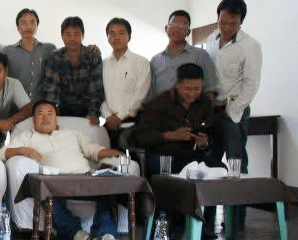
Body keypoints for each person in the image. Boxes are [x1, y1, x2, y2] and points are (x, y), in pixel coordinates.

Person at [0, 100, 124, 240]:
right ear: (33, 119)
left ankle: (105, 234)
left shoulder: (72, 133)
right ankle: (75, 233)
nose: (45, 118)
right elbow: (1, 153)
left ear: (56, 118)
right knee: (46, 194)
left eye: (49, 114)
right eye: (40, 114)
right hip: (54, 180)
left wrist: (111, 153)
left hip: (84, 177)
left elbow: (92, 149)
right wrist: (23, 150)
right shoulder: (26, 136)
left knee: (105, 189)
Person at [205, 0, 262, 236]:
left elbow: (251, 84)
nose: (226, 27)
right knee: (209, 163)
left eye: (232, 22)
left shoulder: (250, 46)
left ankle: (236, 223)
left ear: (241, 22)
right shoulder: (210, 40)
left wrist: (233, 111)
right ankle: (207, 221)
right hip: (211, 112)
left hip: (233, 112)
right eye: (222, 21)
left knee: (236, 166)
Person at [135, 63, 220, 175]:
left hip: (192, 156)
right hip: (164, 155)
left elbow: (212, 133)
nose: (192, 93)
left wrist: (204, 142)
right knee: (161, 165)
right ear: (177, 85)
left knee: (220, 168)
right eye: (187, 89)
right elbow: (140, 136)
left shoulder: (205, 103)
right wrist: (170, 135)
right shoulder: (159, 102)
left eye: (197, 89)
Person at [41, 16, 104, 125]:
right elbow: (51, 91)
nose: (72, 39)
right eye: (68, 34)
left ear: (82, 35)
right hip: (61, 111)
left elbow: (95, 90)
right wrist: (53, 113)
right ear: (62, 36)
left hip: (86, 111)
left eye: (76, 34)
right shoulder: (54, 58)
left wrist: (93, 113)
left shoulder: (93, 57)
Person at [101, 18, 151, 149]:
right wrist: (108, 116)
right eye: (112, 33)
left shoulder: (141, 62)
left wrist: (120, 117)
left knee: (129, 159)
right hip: (108, 124)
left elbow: (140, 95)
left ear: (129, 36)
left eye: (121, 33)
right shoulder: (103, 64)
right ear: (107, 37)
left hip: (132, 124)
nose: (116, 37)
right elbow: (99, 94)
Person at [149, 10, 217, 97]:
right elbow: (151, 93)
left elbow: (210, 89)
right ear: (166, 28)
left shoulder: (201, 55)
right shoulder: (155, 60)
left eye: (182, 25)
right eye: (173, 24)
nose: (177, 28)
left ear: (188, 31)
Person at [1, 8, 57, 102]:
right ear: (18, 28)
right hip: (16, 105)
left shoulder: (49, 49)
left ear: (37, 26)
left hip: (41, 105)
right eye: (24, 23)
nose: (28, 26)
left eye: (32, 22)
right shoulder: (7, 51)